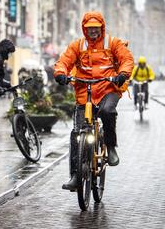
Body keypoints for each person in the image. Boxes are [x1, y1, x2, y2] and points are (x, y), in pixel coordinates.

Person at [53, 11, 134, 190]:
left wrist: (122, 74)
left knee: (107, 111)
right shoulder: (78, 45)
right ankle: (76, 176)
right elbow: (64, 61)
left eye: (96, 28)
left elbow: (126, 59)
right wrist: (60, 73)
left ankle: (111, 147)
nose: (93, 31)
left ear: (101, 27)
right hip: (85, 89)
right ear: (84, 29)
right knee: (77, 134)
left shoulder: (112, 43)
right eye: (89, 28)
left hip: (108, 88)